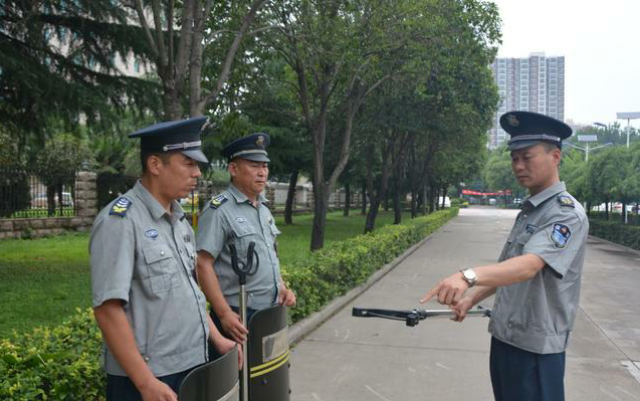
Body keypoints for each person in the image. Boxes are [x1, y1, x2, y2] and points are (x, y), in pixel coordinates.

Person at [420, 111, 589, 401]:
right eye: (514, 158)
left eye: (527, 156)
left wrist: (467, 277)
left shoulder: (566, 214)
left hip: (536, 350)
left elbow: (528, 267)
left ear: (556, 156)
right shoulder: (530, 210)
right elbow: (507, 270)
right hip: (505, 339)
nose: (518, 166)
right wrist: (471, 299)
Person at [90, 117, 240, 401]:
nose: (197, 173)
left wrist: (217, 339)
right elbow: (108, 309)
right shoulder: (120, 221)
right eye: (188, 163)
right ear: (155, 165)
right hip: (148, 378)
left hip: (191, 365)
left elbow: (190, 290)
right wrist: (146, 383)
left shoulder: (179, 221)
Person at [196, 133, 296, 347]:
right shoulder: (219, 210)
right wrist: (223, 314)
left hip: (270, 312)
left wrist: (282, 287)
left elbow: (269, 254)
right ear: (233, 169)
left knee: (267, 378)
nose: (262, 173)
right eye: (254, 166)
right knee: (240, 377)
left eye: (265, 166)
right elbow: (202, 264)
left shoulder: (263, 209)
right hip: (238, 316)